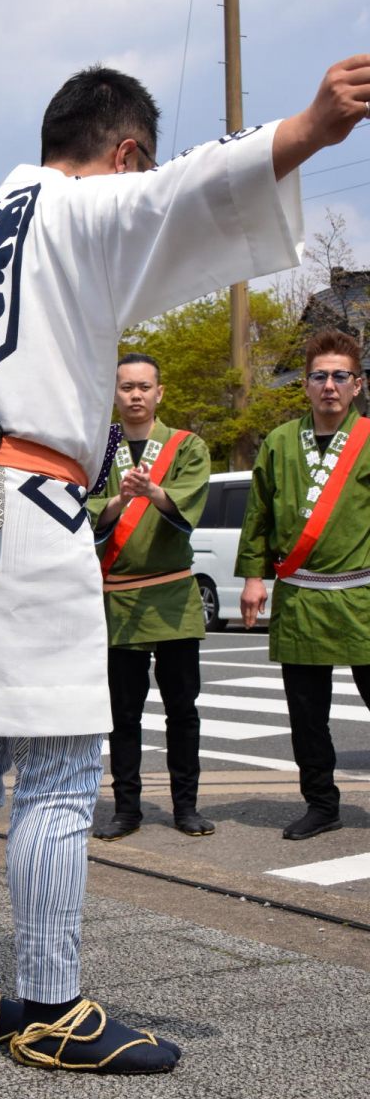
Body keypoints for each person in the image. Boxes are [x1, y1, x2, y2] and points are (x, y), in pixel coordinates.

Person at [0, 56, 370, 1074]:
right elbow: (192, 184)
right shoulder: (77, 208)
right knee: (53, 772)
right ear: (121, 150)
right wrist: (309, 128)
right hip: (14, 503)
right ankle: (51, 1007)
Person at [237, 329, 370, 840]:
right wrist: (254, 576)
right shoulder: (278, 442)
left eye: (340, 376)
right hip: (300, 594)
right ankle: (321, 804)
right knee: (307, 714)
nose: (329, 386)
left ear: (357, 385)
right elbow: (259, 516)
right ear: (307, 385)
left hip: (361, 594)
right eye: (320, 376)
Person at [88, 353, 213, 841]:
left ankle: (187, 807)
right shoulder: (99, 450)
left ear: (160, 393)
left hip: (172, 593)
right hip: (117, 597)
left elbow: (189, 500)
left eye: (144, 387)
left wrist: (154, 492)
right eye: (126, 388)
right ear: (114, 394)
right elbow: (86, 510)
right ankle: (127, 809)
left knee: (183, 707)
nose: (135, 395)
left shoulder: (187, 445)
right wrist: (120, 498)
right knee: (123, 712)